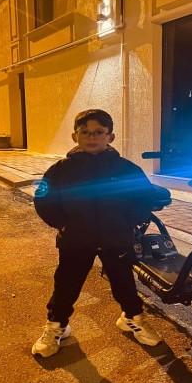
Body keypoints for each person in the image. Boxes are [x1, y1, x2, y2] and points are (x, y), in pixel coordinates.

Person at [32, 109, 162, 357]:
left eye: (99, 132)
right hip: (75, 240)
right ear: (75, 136)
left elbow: (145, 197)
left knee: (123, 281)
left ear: (110, 137)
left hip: (116, 239)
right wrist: (62, 224)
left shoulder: (126, 169)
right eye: (85, 132)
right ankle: (57, 326)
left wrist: (130, 221)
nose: (92, 137)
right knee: (67, 284)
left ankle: (132, 318)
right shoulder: (60, 170)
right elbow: (43, 199)